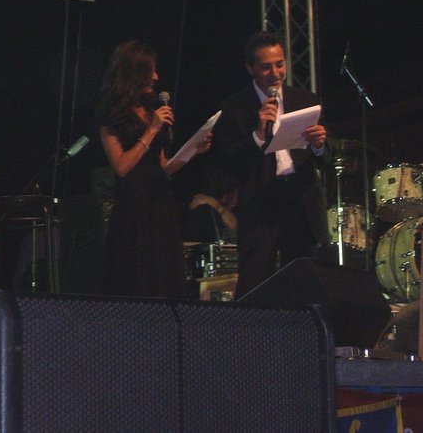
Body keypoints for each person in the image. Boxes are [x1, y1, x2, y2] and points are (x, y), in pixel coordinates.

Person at [212, 31, 332, 298]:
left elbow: (326, 157)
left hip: (300, 199)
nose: (275, 73)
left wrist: (319, 144)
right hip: (260, 203)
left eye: (280, 64)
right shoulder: (234, 107)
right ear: (251, 68)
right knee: (256, 282)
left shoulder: (305, 100)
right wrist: (257, 134)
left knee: (303, 282)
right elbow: (228, 160)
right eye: (266, 67)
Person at [96, 40, 211, 298]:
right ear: (132, 72)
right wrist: (152, 130)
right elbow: (122, 166)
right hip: (134, 207)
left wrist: (194, 150)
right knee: (137, 277)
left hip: (160, 203)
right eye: (150, 71)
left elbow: (162, 168)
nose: (156, 77)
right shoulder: (111, 113)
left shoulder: (149, 108)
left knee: (164, 276)